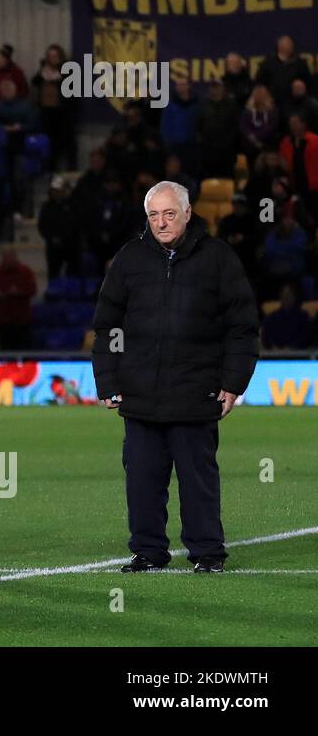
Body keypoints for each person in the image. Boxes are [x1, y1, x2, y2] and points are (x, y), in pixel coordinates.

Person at [91, 180, 259, 574]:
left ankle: (207, 552)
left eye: (169, 214)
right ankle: (148, 551)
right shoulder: (130, 259)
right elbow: (107, 326)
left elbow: (242, 326)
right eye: (154, 215)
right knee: (142, 481)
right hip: (140, 395)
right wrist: (108, 381)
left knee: (198, 481)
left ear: (187, 213)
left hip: (195, 393)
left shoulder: (218, 258)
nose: (161, 222)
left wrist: (233, 383)